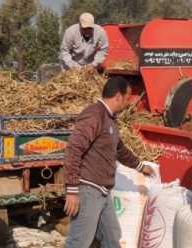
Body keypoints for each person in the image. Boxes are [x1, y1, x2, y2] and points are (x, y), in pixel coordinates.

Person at [63, 76, 154, 248]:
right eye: (127, 99)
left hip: (103, 191)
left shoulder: (110, 119)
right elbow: (74, 149)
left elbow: (120, 150)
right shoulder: (94, 114)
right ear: (118, 96)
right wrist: (72, 190)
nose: (127, 103)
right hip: (88, 189)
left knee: (113, 238)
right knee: (79, 242)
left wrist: (141, 166)